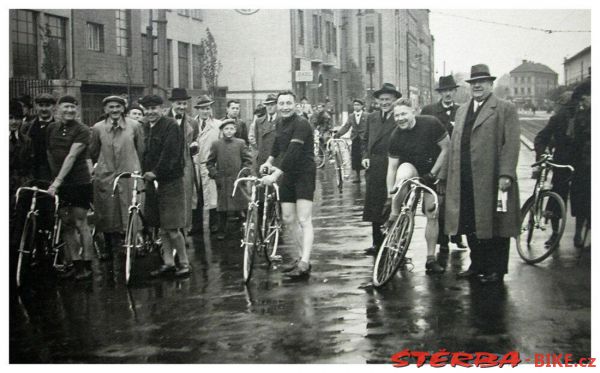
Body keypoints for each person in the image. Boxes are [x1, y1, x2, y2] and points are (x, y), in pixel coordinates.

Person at [439, 64, 520, 284]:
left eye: (482, 82)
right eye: (474, 82)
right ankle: (477, 265)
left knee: (496, 224)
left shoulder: (504, 108)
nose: (477, 86)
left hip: (492, 178)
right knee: (470, 223)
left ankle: (496, 270)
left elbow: (511, 144)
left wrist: (506, 175)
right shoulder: (463, 109)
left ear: (490, 84)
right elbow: (454, 145)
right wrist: (446, 176)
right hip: (463, 178)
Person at [385, 99, 449, 274]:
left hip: (432, 170)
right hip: (411, 169)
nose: (400, 118)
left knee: (432, 213)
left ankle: (430, 258)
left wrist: (433, 174)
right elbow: (391, 168)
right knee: (403, 173)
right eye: (396, 115)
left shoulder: (431, 123)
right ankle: (395, 214)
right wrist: (390, 197)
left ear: (414, 111)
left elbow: (446, 148)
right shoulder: (396, 136)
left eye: (404, 113)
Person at [260, 91, 316, 278]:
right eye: (281, 103)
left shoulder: (302, 124)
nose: (284, 107)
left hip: (304, 174)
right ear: (277, 105)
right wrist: (268, 161)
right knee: (288, 218)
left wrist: (275, 174)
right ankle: (301, 257)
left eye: (288, 103)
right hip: (288, 174)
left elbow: (293, 151)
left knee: (304, 219)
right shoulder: (279, 122)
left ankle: (305, 262)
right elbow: (277, 144)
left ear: (295, 104)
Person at [140, 94, 190, 278]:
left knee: (173, 227)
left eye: (154, 108)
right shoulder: (145, 127)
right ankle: (168, 262)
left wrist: (156, 172)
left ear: (161, 109)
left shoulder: (171, 126)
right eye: (147, 109)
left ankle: (184, 263)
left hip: (170, 181)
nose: (150, 112)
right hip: (152, 182)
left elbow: (171, 154)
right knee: (161, 227)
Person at [89, 95, 145, 260]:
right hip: (107, 176)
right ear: (105, 109)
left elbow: (141, 149)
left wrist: (135, 166)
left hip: (129, 173)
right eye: (111, 107)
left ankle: (136, 243)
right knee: (107, 211)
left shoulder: (134, 126)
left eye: (118, 107)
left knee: (131, 208)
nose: (114, 110)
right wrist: (100, 168)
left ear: (123, 108)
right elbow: (93, 151)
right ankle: (107, 246)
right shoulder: (98, 128)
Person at [46, 95, 95, 280]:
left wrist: (58, 180)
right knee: (66, 224)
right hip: (59, 182)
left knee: (80, 222)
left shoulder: (82, 130)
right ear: (58, 109)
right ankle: (76, 264)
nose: (70, 111)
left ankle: (87, 264)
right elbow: (49, 152)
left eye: (73, 107)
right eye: (66, 107)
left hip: (79, 182)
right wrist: (55, 179)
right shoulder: (52, 128)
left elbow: (72, 156)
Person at [420, 75, 467, 252]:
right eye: (444, 91)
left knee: (456, 201)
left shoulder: (462, 110)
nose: (448, 94)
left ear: (455, 92)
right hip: (435, 162)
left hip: (456, 163)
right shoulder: (429, 110)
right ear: (440, 93)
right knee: (436, 202)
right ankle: (442, 241)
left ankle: (457, 235)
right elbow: (422, 137)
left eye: (451, 90)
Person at [361, 83, 402, 256]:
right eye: (382, 99)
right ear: (377, 101)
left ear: (394, 101)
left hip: (392, 165)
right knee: (375, 207)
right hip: (374, 167)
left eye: (388, 100)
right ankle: (377, 243)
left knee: (393, 205)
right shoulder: (372, 117)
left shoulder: (399, 117)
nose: (385, 103)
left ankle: (394, 244)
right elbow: (364, 140)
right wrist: (364, 157)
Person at [533, 90, 577, 242]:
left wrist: (541, 155)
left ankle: (556, 234)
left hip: (565, 162)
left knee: (558, 196)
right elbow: (545, 138)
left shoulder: (559, 117)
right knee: (561, 196)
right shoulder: (562, 118)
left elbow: (542, 138)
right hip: (570, 163)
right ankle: (572, 234)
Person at [207, 119, 253, 240]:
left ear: (235, 130)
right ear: (222, 130)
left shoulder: (241, 143)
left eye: (231, 129)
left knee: (242, 205)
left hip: (237, 180)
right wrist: (215, 174)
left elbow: (248, 160)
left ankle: (245, 229)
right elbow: (210, 162)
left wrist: (244, 174)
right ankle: (222, 231)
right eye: (226, 129)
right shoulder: (216, 144)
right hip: (223, 181)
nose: (229, 131)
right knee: (222, 208)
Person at [166, 88, 201, 235]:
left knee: (186, 197)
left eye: (184, 104)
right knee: (167, 198)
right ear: (172, 103)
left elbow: (195, 141)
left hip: (185, 165)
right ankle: (166, 232)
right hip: (166, 165)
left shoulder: (192, 123)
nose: (182, 107)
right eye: (179, 103)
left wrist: (194, 146)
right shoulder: (164, 120)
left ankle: (183, 231)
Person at [193, 95, 221, 234]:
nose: (205, 111)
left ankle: (214, 224)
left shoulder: (217, 125)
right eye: (202, 109)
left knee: (212, 195)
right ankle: (196, 225)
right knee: (196, 195)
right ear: (197, 110)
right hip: (194, 164)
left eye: (208, 108)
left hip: (210, 163)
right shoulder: (191, 124)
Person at [569, 79, 591, 248]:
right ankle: (578, 233)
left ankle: (588, 235)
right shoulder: (580, 116)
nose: (582, 104)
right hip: (581, 166)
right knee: (580, 201)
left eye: (585, 100)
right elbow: (574, 141)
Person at [20, 93, 57, 182]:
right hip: (31, 171)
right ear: (36, 107)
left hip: (50, 171)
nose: (44, 109)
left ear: (53, 107)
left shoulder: (58, 127)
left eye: (47, 106)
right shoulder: (26, 126)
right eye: (41, 105)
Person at [334, 98, 368, 183]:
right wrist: (338, 134)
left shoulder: (367, 115)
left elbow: (370, 126)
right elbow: (346, 126)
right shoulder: (351, 116)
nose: (356, 107)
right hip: (355, 138)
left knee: (365, 155)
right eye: (355, 105)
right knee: (355, 156)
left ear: (362, 106)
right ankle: (357, 175)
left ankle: (367, 173)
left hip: (364, 138)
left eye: (358, 105)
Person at [254, 94, 279, 175]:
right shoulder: (259, 121)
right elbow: (258, 141)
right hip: (262, 160)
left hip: (276, 161)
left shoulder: (282, 121)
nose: (269, 107)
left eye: (272, 104)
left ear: (277, 105)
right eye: (267, 105)